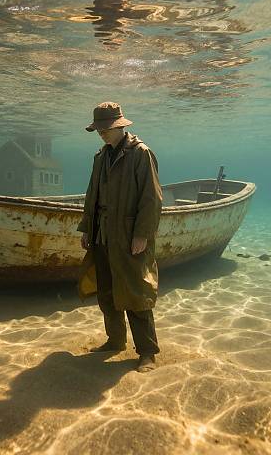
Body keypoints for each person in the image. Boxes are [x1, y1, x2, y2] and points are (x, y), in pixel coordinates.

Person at [77, 101, 162, 372]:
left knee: (136, 292)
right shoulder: (100, 157)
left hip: (128, 236)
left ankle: (147, 352)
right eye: (99, 129)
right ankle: (115, 341)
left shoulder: (140, 154)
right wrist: (86, 229)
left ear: (119, 126)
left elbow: (151, 199)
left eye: (105, 128)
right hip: (101, 233)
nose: (101, 133)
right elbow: (93, 196)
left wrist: (142, 235)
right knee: (106, 290)